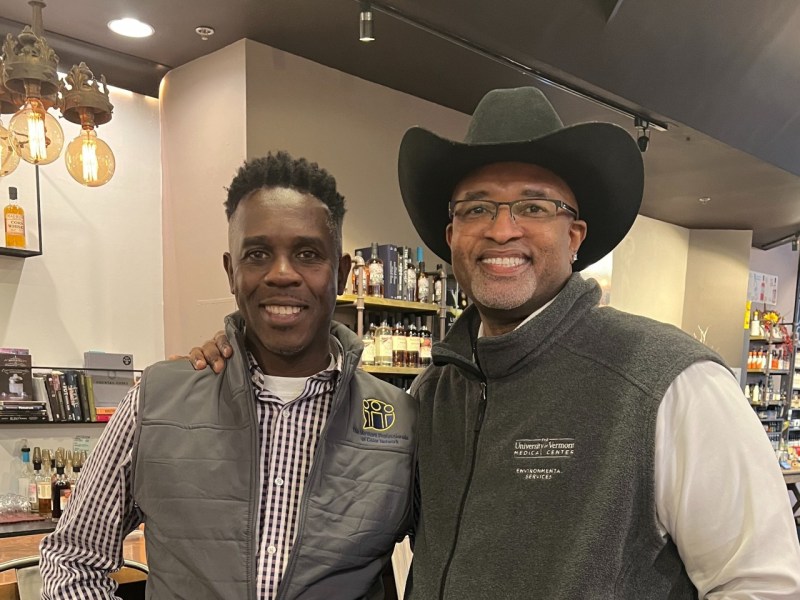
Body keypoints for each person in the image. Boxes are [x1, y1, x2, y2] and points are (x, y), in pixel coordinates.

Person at [189, 89, 800, 598]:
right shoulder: (432, 396)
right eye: (478, 207)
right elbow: (339, 519)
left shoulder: (668, 381)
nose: (502, 229)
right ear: (451, 235)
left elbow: (762, 583)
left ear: (575, 235)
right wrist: (240, 357)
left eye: (533, 206)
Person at [39, 151, 417, 600]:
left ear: (341, 273)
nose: (281, 274)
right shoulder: (155, 402)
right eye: (257, 254)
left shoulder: (403, 423)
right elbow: (73, 558)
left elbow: (447, 564)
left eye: (307, 254)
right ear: (231, 271)